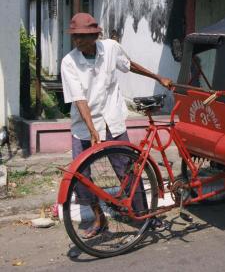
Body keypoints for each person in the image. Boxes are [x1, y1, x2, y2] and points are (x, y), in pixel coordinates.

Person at [61, 13, 172, 238]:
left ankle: (144, 215)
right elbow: (79, 98)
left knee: (128, 169)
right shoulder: (69, 62)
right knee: (81, 174)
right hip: (84, 126)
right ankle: (98, 218)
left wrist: (158, 77)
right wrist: (92, 130)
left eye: (82, 37)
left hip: (112, 120)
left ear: (94, 35)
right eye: (75, 37)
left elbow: (129, 65)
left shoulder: (110, 48)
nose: (78, 41)